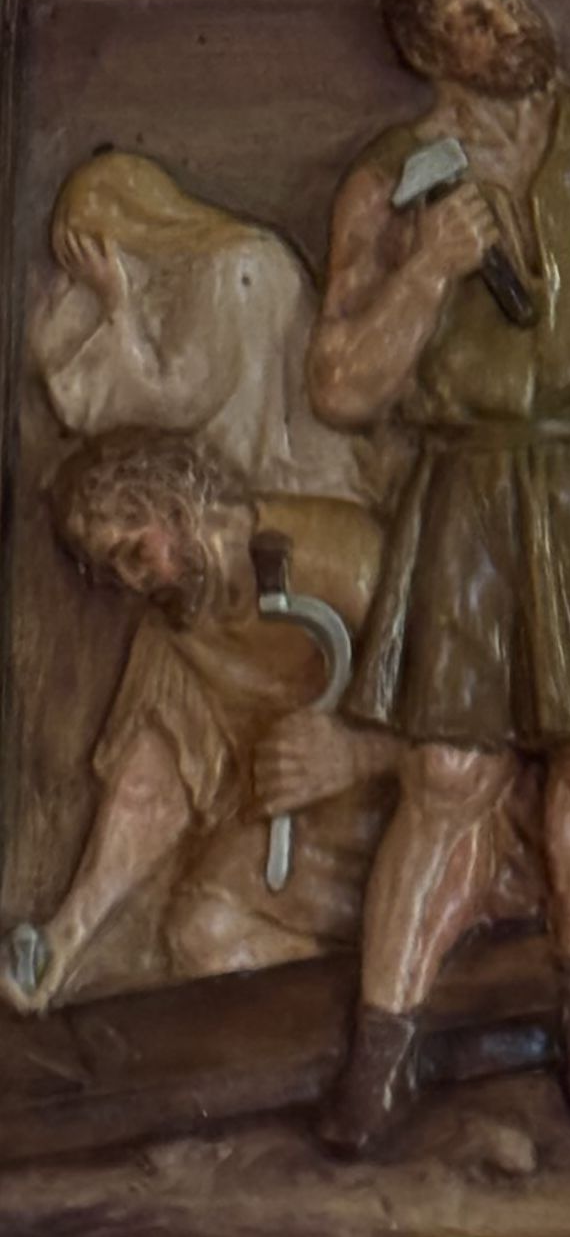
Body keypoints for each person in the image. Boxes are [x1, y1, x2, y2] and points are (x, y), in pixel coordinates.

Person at [307, 0, 570, 1156]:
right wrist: (427, 271)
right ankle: (381, 1046)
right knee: (447, 777)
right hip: (471, 487)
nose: (508, 23)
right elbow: (338, 383)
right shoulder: (393, 180)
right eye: (474, 16)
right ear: (428, 51)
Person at [0, 432, 409, 1010]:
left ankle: (410, 981)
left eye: (136, 554)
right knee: (202, 930)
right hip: (299, 841)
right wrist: (66, 937)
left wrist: (356, 754)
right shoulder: (177, 628)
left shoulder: (337, 553)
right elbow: (149, 789)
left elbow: (476, 716)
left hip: (406, 821)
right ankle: (365, 998)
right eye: (116, 573)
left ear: (173, 503)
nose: (136, 582)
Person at [31, 152, 369, 502]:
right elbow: (70, 390)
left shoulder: (229, 269)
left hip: (283, 484)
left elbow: (173, 399)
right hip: (249, 481)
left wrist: (115, 301)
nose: (83, 276)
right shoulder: (199, 266)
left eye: (88, 254)